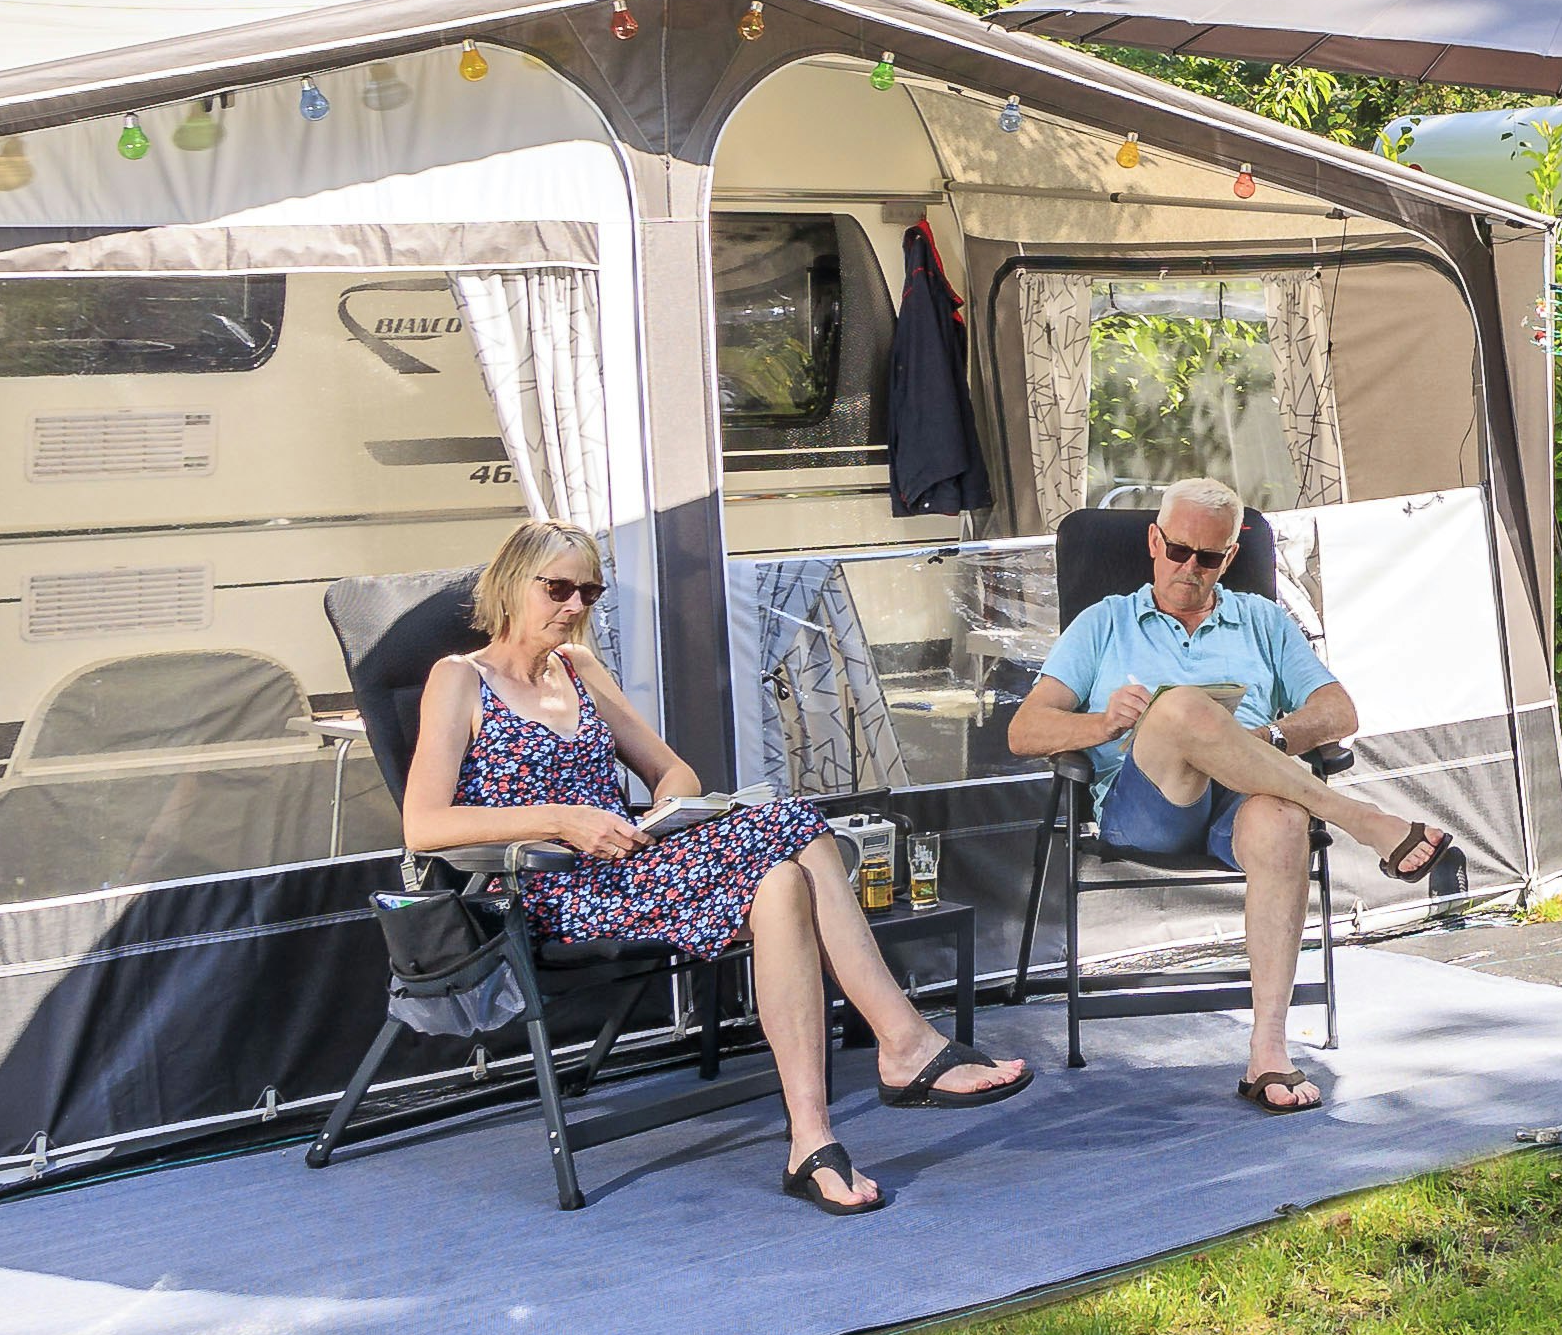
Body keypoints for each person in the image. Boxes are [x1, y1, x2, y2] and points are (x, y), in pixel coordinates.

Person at [408, 520, 1024, 1216]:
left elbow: (673, 770)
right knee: (790, 823)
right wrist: (561, 819)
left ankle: (811, 1141)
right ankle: (904, 1044)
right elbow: (424, 824)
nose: (575, 605)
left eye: (588, 590)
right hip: (547, 886)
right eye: (558, 588)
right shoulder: (461, 680)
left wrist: (664, 816)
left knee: (782, 877)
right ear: (510, 585)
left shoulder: (580, 670)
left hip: (632, 868)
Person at [1007, 477, 1468, 1112]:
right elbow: (1024, 730)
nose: (1190, 570)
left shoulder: (1261, 620)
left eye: (1208, 558)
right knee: (1182, 710)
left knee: (1282, 819)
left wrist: (1273, 735)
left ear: (1229, 556)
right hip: (1149, 807)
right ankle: (1362, 819)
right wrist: (1103, 724)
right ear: (1153, 540)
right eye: (1178, 552)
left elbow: (1338, 710)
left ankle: (1269, 1052)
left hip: (1242, 804)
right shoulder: (1104, 622)